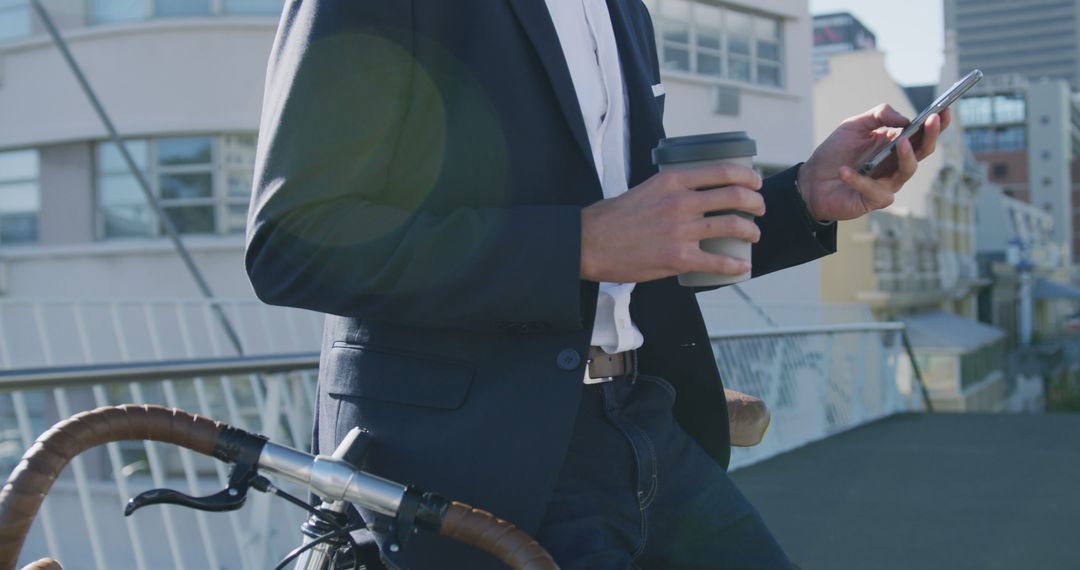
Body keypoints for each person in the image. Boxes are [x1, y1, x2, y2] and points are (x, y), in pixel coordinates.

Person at [245, 1, 948, 568]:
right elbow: (293, 240)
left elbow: (638, 241)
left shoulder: (623, 10)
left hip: (645, 425)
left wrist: (801, 198)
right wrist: (578, 243)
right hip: (476, 465)